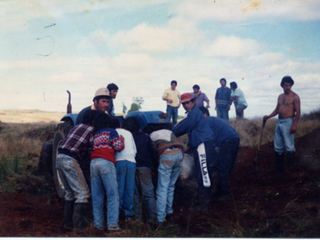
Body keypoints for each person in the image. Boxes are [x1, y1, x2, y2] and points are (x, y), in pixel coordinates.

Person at [172, 93, 216, 212]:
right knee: (202, 172)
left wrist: (171, 132)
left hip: (202, 145)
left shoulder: (194, 113)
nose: (186, 105)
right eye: (184, 103)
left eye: (188, 102)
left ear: (193, 102)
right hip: (201, 144)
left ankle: (204, 205)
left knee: (204, 173)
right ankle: (205, 202)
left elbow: (184, 126)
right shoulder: (194, 113)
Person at [56, 109, 98, 230]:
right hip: (70, 159)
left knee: (69, 193)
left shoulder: (75, 127)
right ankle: (80, 228)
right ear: (94, 121)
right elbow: (91, 150)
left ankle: (68, 224)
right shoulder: (92, 130)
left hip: (59, 158)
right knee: (83, 193)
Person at [90, 112, 125, 233]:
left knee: (97, 196)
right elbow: (118, 147)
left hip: (93, 163)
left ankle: (98, 225)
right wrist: (122, 141)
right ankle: (112, 225)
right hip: (106, 162)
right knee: (112, 195)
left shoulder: (96, 135)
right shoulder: (111, 132)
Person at [199, 107, 240, 202]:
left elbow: (209, 139)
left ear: (204, 114)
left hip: (227, 141)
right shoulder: (213, 120)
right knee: (226, 166)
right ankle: (221, 190)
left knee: (222, 167)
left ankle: (226, 193)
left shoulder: (207, 121)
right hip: (234, 139)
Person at [124, 117, 158, 224]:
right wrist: (154, 168)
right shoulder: (146, 137)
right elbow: (154, 153)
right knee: (148, 194)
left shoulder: (126, 138)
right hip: (145, 168)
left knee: (134, 195)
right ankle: (152, 219)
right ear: (138, 127)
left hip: (131, 168)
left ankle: (138, 220)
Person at [263, 76, 301, 172]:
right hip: (279, 122)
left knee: (289, 145)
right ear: (282, 86)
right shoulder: (280, 96)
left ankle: (290, 169)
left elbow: (298, 112)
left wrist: (294, 125)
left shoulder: (295, 97)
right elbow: (277, 110)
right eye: (286, 85)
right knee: (278, 145)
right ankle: (278, 168)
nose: (288, 87)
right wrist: (268, 116)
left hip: (289, 122)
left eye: (289, 85)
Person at [149, 125, 184, 224]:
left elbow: (153, 154)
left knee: (162, 188)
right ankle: (169, 212)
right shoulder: (168, 131)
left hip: (167, 156)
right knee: (171, 186)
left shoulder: (151, 136)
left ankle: (160, 219)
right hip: (179, 154)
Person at [112, 118, 137, 222]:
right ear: (120, 124)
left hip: (119, 160)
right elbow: (135, 150)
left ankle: (117, 213)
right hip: (131, 161)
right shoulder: (129, 133)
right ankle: (128, 214)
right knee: (129, 188)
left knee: (119, 187)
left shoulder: (112, 132)